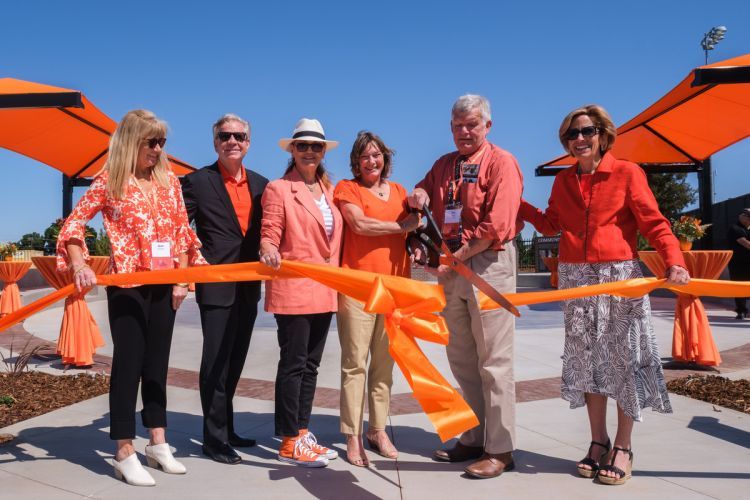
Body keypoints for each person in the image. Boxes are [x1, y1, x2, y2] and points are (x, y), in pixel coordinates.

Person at [519, 104, 690, 485]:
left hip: (618, 276)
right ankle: (598, 441)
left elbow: (654, 223)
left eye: (586, 132)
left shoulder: (628, 172)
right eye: (571, 135)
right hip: (576, 278)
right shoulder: (562, 181)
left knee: (623, 361)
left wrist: (673, 261)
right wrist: (518, 203)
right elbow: (551, 223)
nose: (578, 139)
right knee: (588, 364)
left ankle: (624, 447)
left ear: (602, 135)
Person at [57, 110, 202, 486]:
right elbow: (74, 225)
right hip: (126, 287)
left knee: (157, 363)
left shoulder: (169, 182)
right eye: (150, 142)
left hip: (165, 283)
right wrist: (79, 265)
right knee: (129, 364)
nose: (157, 149)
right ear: (130, 142)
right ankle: (123, 449)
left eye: (161, 142)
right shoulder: (110, 181)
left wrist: (182, 281)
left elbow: (183, 234)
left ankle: (157, 440)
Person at [408, 94, 524, 479]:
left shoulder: (501, 161)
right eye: (457, 125)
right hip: (451, 266)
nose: (464, 131)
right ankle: (474, 437)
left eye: (471, 124)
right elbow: (422, 192)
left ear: (487, 125)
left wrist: (460, 253)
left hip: (488, 264)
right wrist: (419, 194)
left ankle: (501, 448)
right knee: (462, 357)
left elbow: (499, 225)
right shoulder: (444, 165)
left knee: (494, 362)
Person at [181, 114, 269, 464]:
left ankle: (226, 427)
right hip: (215, 285)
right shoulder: (197, 182)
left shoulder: (263, 185)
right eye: (225, 136)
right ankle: (213, 440)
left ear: (249, 141)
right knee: (215, 362)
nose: (233, 141)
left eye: (240, 136)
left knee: (235, 360)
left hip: (249, 285)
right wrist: (190, 258)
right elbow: (178, 227)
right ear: (215, 141)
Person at [333, 131, 420, 466]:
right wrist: (403, 227)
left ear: (385, 158)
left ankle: (377, 429)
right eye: (365, 156)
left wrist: (413, 232)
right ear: (356, 161)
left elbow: (416, 225)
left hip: (395, 290)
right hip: (357, 288)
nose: (371, 161)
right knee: (354, 365)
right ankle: (352, 435)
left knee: (385, 366)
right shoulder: (347, 187)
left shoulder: (399, 192)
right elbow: (359, 225)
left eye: (377, 155)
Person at [259, 118, 343, 468]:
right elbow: (270, 229)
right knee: (293, 364)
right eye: (303, 145)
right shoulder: (279, 189)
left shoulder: (330, 189)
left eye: (316, 146)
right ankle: (289, 438)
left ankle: (303, 430)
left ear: (324, 152)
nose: (310, 151)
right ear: (292, 150)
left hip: (324, 290)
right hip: (293, 289)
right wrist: (267, 248)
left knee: (311, 365)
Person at [727, 208, 750, 319]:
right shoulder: (735, 229)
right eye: (749, 217)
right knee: (739, 287)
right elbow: (745, 243)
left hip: (748, 263)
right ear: (742, 216)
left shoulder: (747, 229)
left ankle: (746, 311)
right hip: (738, 264)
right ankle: (741, 311)